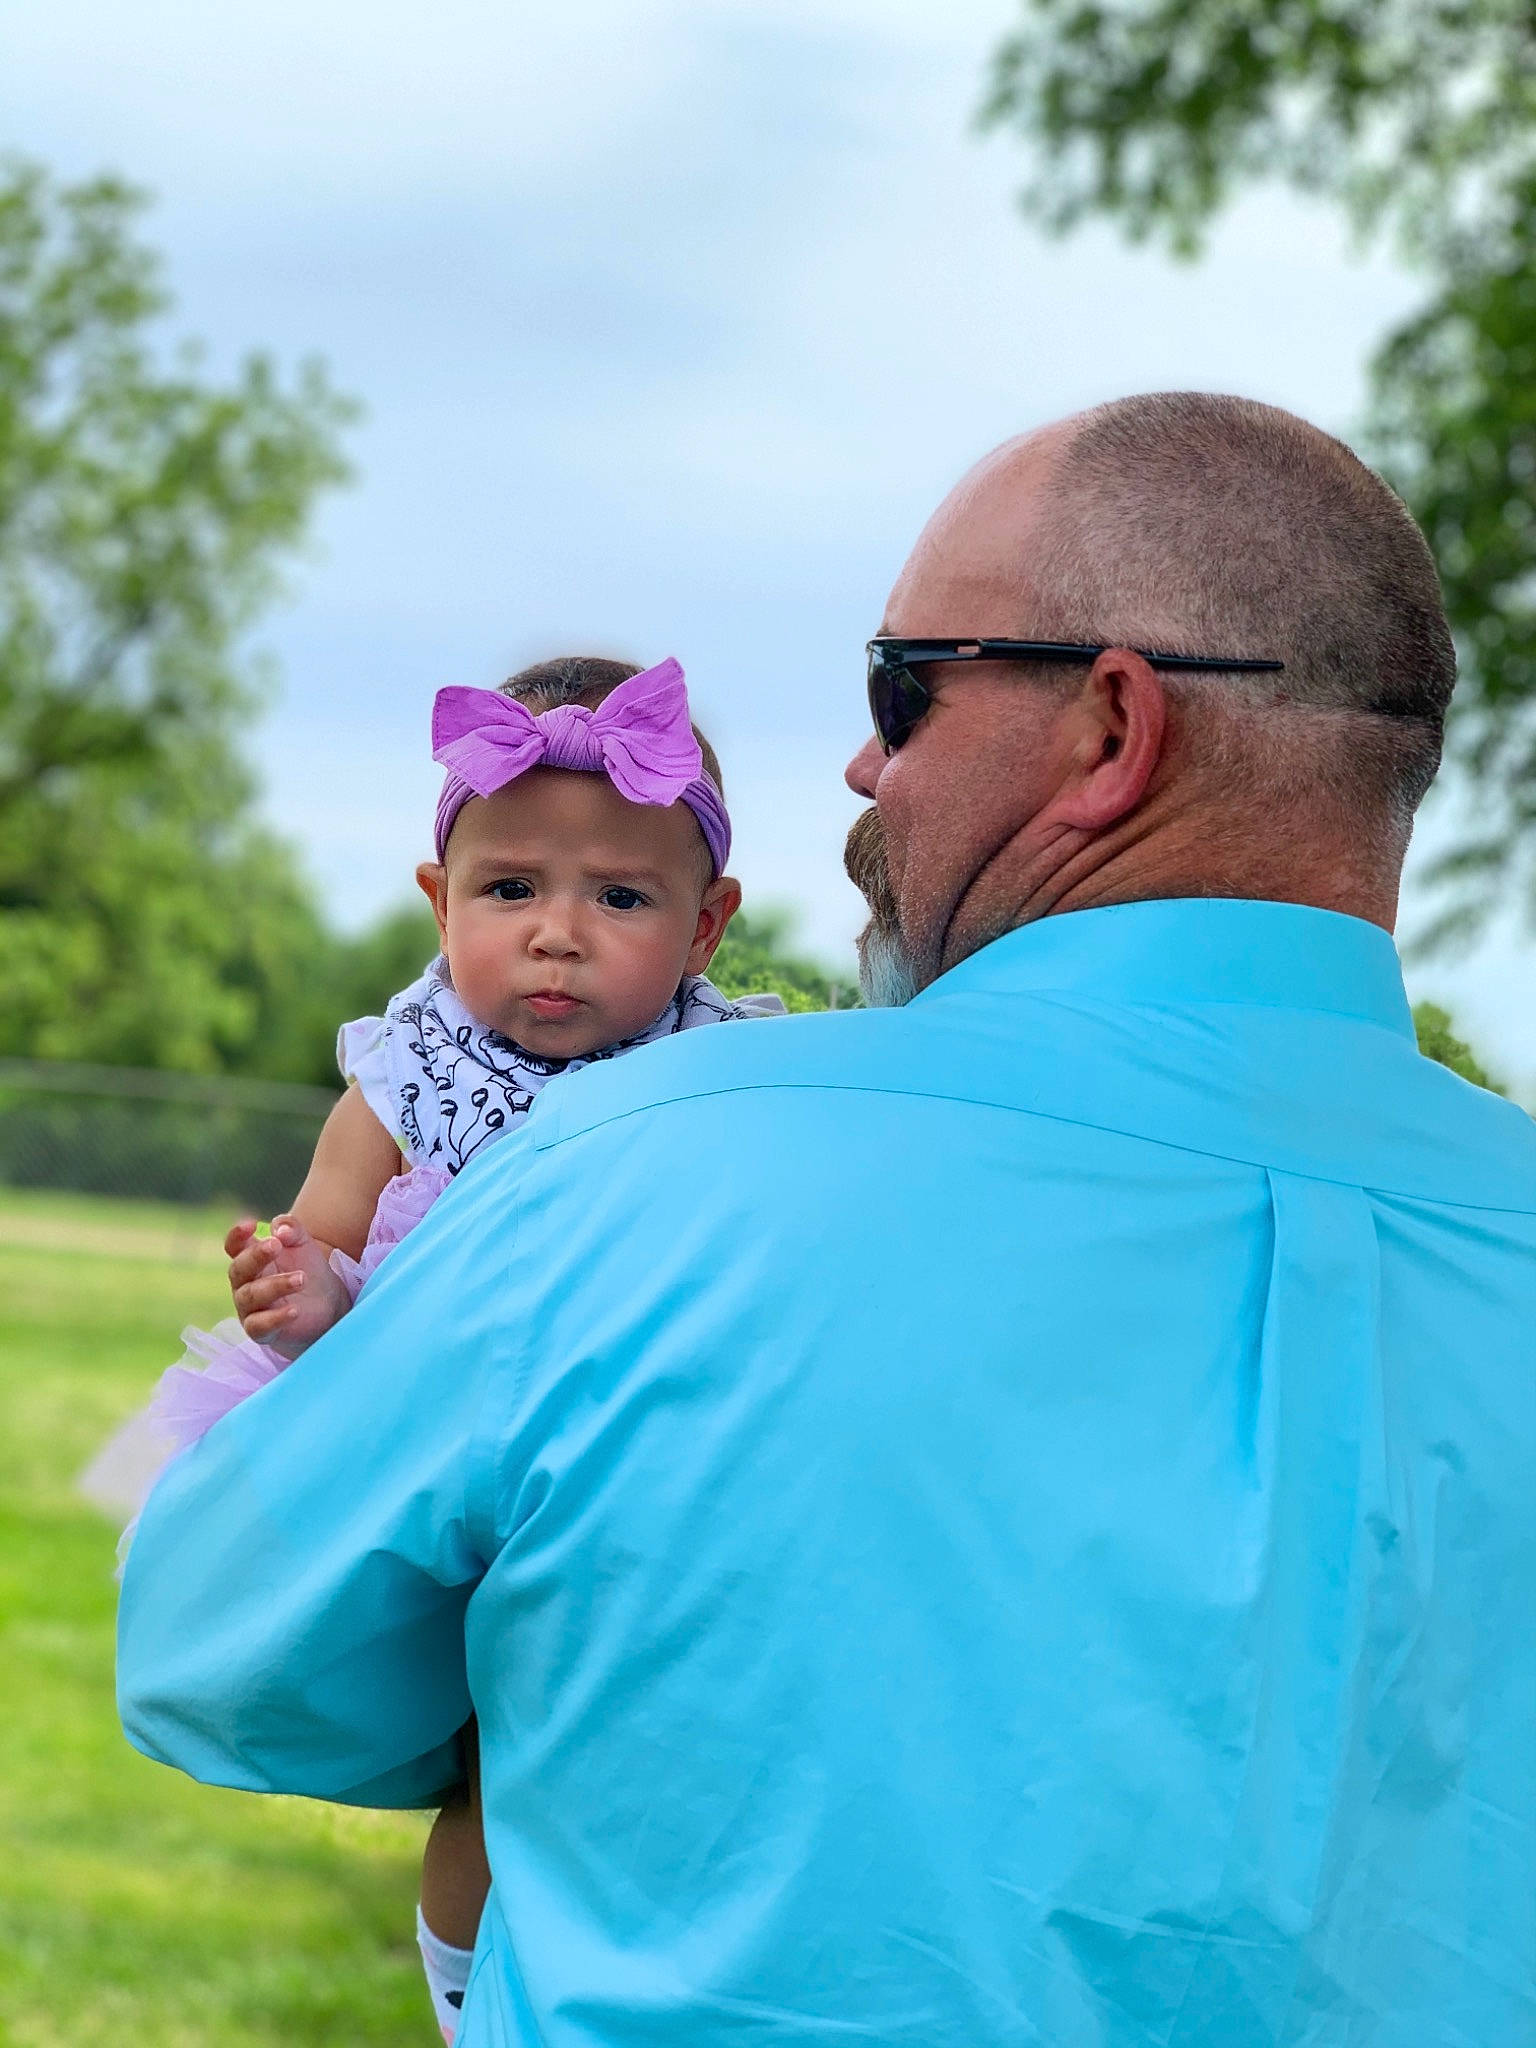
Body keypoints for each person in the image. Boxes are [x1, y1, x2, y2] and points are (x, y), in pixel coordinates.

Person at [119, 394, 1536, 2047]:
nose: (863, 764)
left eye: (905, 687)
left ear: (1111, 729)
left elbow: (211, 1646)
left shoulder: (631, 1165)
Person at [109, 650, 782, 2042]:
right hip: (424, 1432)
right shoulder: (413, 1068)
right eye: (513, 888)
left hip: (625, 1446)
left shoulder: (721, 1074)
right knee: (487, 1756)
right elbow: (327, 1242)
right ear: (442, 901)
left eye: (622, 897)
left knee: (603, 1738)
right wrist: (302, 1286)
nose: (557, 932)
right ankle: (470, 1991)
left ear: (707, 928)